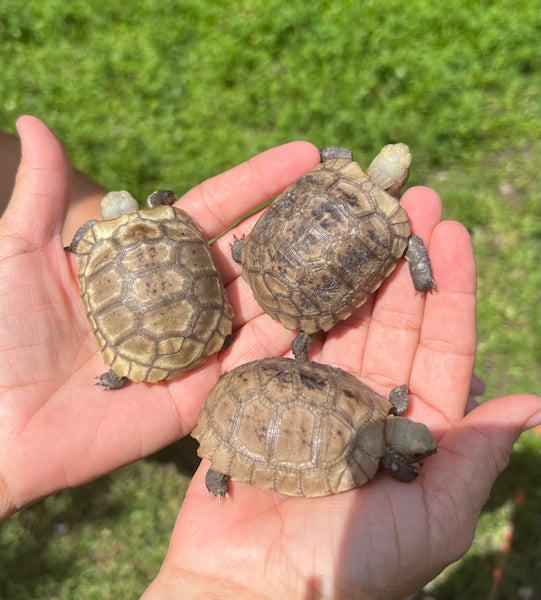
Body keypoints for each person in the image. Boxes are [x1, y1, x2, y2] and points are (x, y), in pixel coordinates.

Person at [0, 116, 538, 600]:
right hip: (257, 336)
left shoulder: (337, 168)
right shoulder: (387, 404)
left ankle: (161, 384)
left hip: (255, 307)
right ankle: (205, 429)